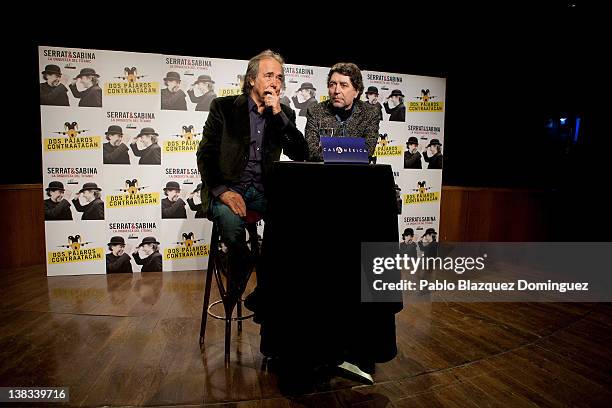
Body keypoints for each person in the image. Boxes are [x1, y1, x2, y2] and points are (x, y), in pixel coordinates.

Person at [196, 49, 307, 304]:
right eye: (269, 75)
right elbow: (206, 155)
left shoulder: (284, 113)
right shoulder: (223, 107)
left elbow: (300, 152)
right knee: (234, 231)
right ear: (251, 80)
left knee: (291, 226)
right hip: (228, 188)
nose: (275, 82)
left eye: (279, 78)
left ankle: (265, 289)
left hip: (264, 191)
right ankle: (242, 273)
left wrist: (278, 114)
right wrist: (222, 191)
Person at [304, 62, 379, 162]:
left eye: (343, 85)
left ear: (356, 91)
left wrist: (328, 149)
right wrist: (354, 150)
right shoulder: (315, 112)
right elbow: (312, 152)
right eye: (332, 84)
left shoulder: (370, 113)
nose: (336, 91)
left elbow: (367, 151)